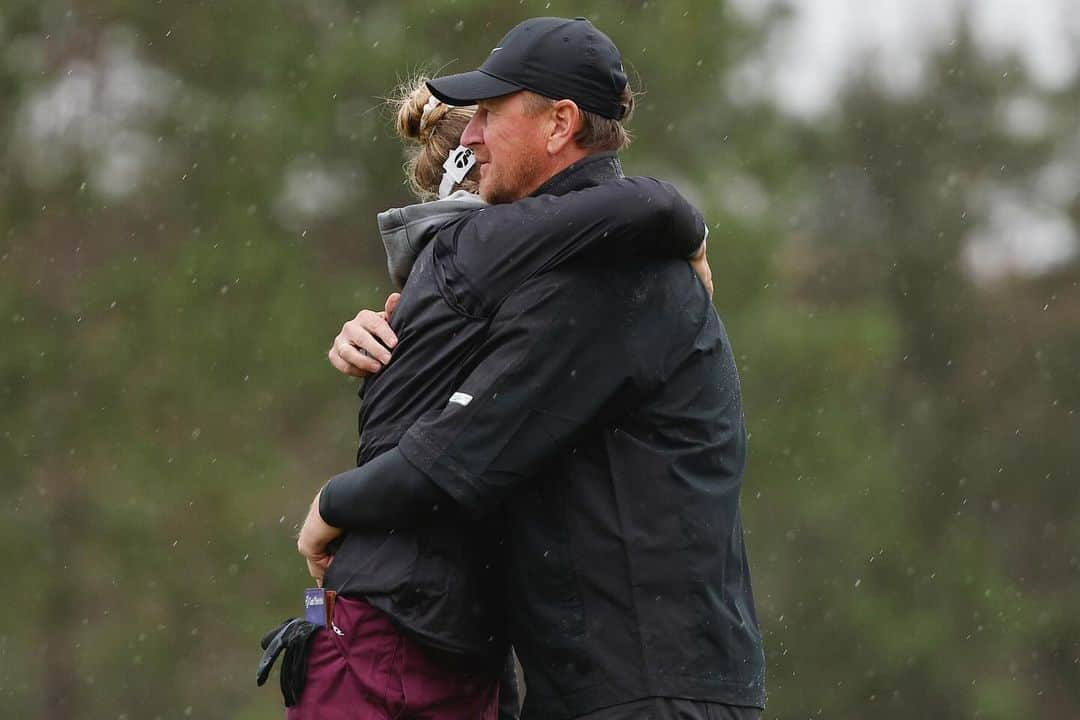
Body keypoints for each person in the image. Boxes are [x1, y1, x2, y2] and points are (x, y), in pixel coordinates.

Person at [304, 16, 766, 720]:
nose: (469, 136)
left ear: (560, 124)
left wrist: (332, 507)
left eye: (490, 113)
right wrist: (385, 334)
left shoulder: (612, 270)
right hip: (614, 691)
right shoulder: (582, 256)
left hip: (648, 698)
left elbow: (460, 453)